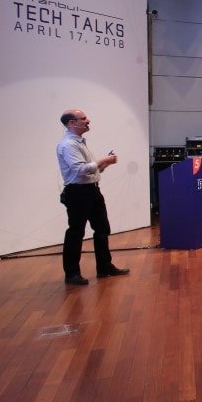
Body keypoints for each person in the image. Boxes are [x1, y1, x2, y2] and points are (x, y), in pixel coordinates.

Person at [56, 109, 128, 286]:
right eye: (83, 118)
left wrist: (104, 164)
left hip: (91, 190)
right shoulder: (68, 145)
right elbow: (80, 170)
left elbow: (89, 169)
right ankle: (72, 274)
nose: (88, 120)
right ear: (72, 123)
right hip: (78, 193)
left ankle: (104, 267)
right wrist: (104, 159)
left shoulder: (79, 143)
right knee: (76, 232)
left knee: (102, 228)